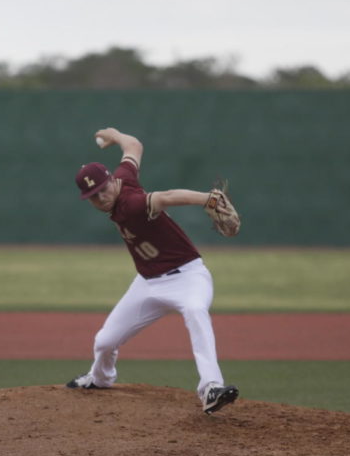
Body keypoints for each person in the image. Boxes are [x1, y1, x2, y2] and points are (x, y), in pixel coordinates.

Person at [67, 127, 239, 414]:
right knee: (104, 341)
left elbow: (167, 197)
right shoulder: (123, 178)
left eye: (103, 189)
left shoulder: (132, 203)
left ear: (111, 180)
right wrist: (115, 135)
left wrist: (208, 199)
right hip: (147, 284)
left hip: (188, 276)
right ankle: (99, 379)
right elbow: (133, 146)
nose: (101, 198)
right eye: (94, 196)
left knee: (196, 312)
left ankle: (211, 387)